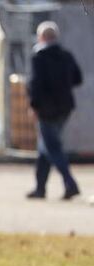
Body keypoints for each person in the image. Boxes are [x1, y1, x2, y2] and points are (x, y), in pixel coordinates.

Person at [27, 20, 83, 201]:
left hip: (46, 109)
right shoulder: (66, 55)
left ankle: (70, 183)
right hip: (64, 108)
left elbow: (35, 84)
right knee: (46, 146)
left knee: (52, 147)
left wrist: (34, 106)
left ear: (41, 37)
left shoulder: (39, 57)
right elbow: (77, 78)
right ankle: (40, 188)